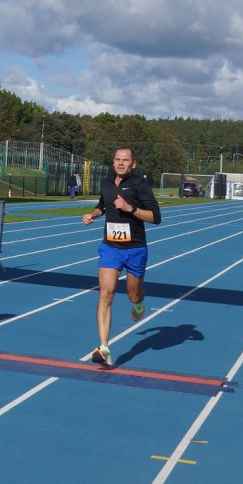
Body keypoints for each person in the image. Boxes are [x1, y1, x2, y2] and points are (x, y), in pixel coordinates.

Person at [81, 147, 161, 367]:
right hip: (110, 248)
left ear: (133, 163)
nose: (120, 163)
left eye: (125, 160)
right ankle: (104, 347)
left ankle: (139, 302)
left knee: (133, 294)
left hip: (135, 249)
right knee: (105, 293)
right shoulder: (107, 182)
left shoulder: (140, 185)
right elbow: (102, 205)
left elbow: (156, 217)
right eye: (117, 159)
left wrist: (130, 208)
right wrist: (93, 215)